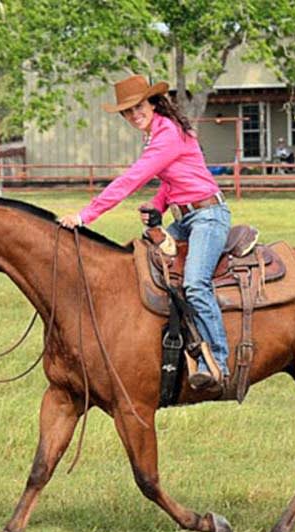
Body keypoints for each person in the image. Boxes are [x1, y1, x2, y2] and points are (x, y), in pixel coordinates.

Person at [59, 74, 231, 391]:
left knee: (195, 283)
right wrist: (157, 206)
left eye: (138, 106)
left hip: (208, 216)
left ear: (151, 103)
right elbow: (171, 182)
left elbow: (132, 179)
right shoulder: (156, 134)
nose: (134, 115)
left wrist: (86, 215)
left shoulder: (166, 135)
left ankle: (218, 361)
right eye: (127, 112)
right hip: (185, 218)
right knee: (147, 265)